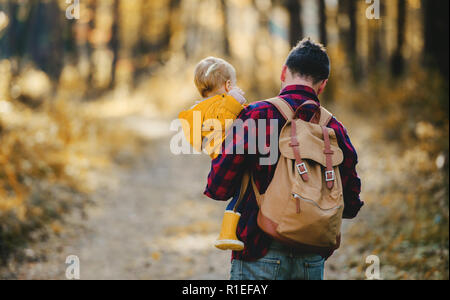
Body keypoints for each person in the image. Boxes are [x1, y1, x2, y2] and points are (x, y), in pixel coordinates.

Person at [204, 38, 364, 280]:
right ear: (322, 86)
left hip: (259, 252)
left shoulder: (257, 116)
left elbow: (218, 186)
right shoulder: (334, 129)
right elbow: (350, 205)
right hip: (311, 260)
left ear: (283, 72)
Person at [178, 56, 249, 251]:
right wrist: (235, 103)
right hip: (232, 156)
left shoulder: (200, 109)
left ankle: (233, 231)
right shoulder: (222, 106)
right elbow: (225, 124)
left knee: (240, 194)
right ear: (228, 85)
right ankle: (227, 234)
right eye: (234, 85)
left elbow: (195, 139)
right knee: (240, 195)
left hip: (222, 157)